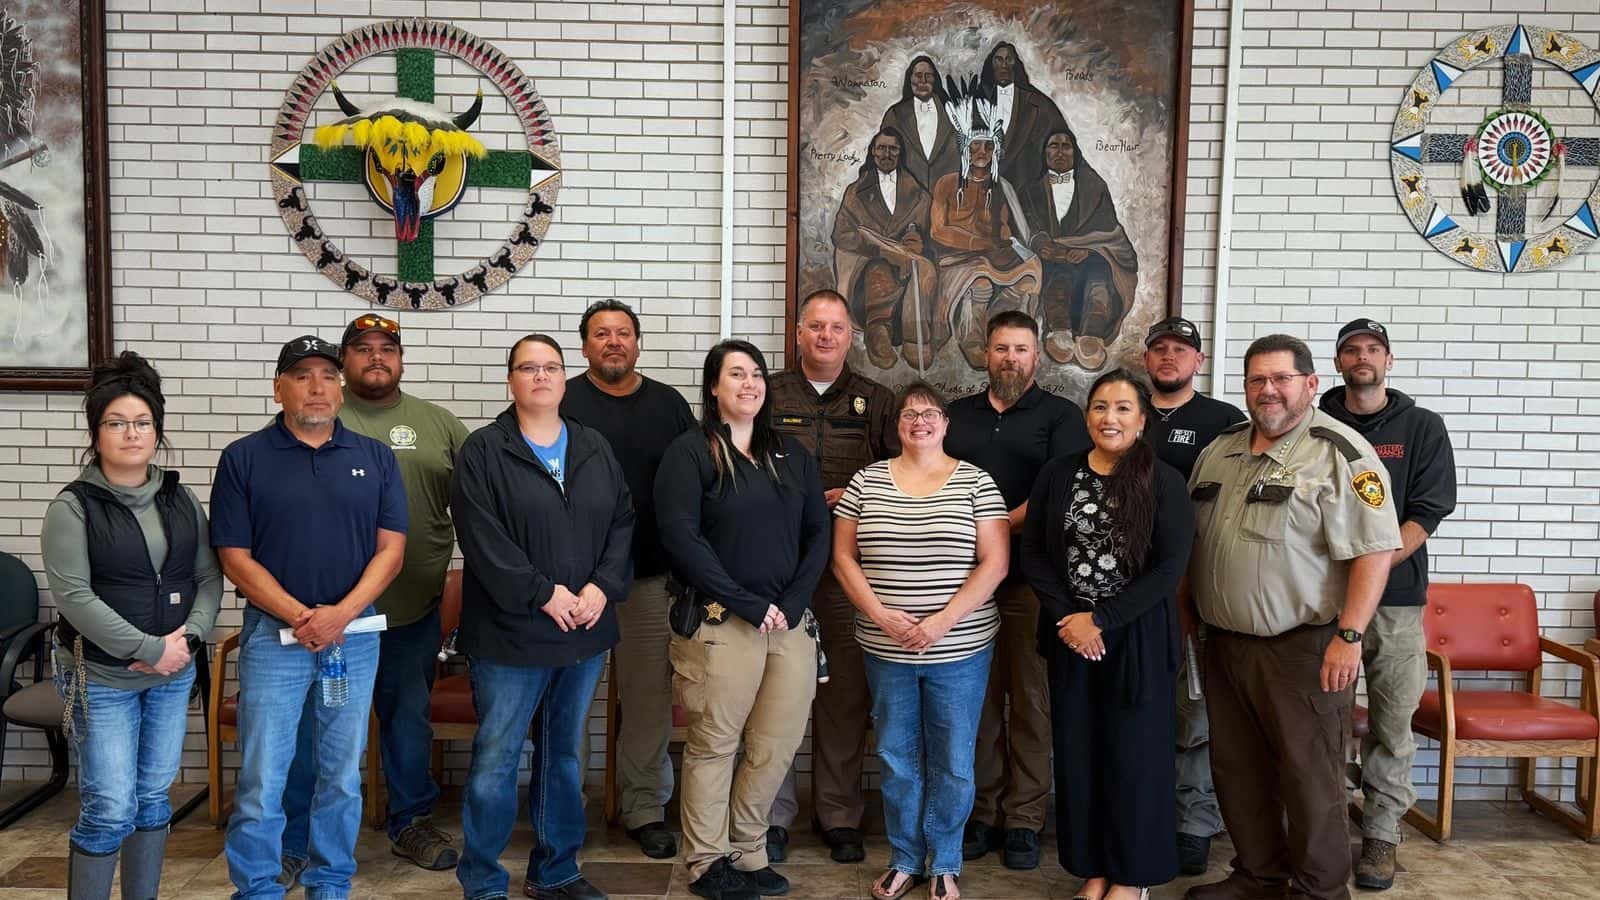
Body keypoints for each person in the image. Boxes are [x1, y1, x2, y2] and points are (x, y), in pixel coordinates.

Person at [1184, 334, 1401, 900]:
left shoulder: (1341, 452)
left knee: (1310, 779)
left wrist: (1349, 636)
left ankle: (1320, 889)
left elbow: (1375, 550)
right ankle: (1259, 874)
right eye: (1257, 379)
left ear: (1309, 384)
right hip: (1225, 644)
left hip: (1304, 648)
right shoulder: (1221, 450)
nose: (1268, 390)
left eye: (1281, 378)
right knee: (1238, 770)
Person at [213, 335, 408, 900]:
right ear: (279, 389)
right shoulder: (243, 458)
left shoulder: (374, 457)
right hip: (276, 638)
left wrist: (339, 616)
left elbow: (390, 550)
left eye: (327, 375)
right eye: (302, 376)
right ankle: (258, 887)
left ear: (340, 387)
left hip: (353, 637)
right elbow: (234, 556)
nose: (318, 386)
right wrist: (304, 617)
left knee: (341, 775)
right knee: (262, 778)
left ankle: (330, 882)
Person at [278, 313, 470, 886]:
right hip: (326, 616)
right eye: (362, 349)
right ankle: (298, 840)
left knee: (406, 717)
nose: (377, 357)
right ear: (342, 366)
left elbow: (479, 505)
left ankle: (410, 821)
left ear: (402, 359)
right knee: (315, 724)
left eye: (388, 348)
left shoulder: (437, 424)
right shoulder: (314, 417)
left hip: (410, 608)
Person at [451, 333, 634, 900]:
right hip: (512, 635)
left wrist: (602, 585)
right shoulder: (483, 450)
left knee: (564, 756)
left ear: (564, 376)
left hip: (583, 631)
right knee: (497, 759)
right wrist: (542, 593)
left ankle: (555, 871)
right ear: (511, 380)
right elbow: (483, 539)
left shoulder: (593, 445)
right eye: (528, 368)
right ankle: (482, 880)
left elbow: (623, 520)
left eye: (550, 367)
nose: (540, 377)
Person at [42, 352, 222, 900]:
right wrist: (147, 646)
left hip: (169, 675)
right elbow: (73, 597)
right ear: (96, 433)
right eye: (116, 423)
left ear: (157, 431)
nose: (130, 433)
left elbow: (208, 577)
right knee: (109, 806)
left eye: (141, 423)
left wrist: (187, 639)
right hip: (103, 679)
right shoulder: (73, 506)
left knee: (151, 798)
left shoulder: (179, 495)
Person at [655, 340, 831, 900]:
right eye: (736, 375)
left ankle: (747, 849)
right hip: (719, 622)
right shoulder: (690, 452)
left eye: (756, 374)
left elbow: (816, 531)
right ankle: (707, 861)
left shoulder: (791, 453)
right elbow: (683, 539)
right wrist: (747, 603)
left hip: (789, 624)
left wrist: (797, 599)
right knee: (714, 742)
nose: (749, 384)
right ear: (713, 387)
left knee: (776, 743)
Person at [832, 381, 1010, 900]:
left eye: (930, 413)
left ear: (946, 424)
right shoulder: (866, 481)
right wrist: (882, 615)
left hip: (961, 649)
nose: (920, 421)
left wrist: (940, 623)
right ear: (897, 424)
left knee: (954, 759)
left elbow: (995, 563)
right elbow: (843, 558)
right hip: (885, 649)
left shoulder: (976, 482)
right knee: (895, 755)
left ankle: (946, 862)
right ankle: (905, 858)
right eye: (910, 413)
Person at [1022, 369, 1194, 900]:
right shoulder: (1057, 474)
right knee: (1081, 754)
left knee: (1135, 757)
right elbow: (1034, 552)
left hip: (1135, 638)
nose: (1109, 418)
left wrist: (1102, 619)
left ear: (1142, 421)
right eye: (1099, 407)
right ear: (1087, 416)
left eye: (1122, 408)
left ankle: (1132, 875)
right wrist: (1071, 619)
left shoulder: (1163, 480)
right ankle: (1094, 867)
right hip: (1071, 635)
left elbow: (1169, 569)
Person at [944, 310, 1090, 869]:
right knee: (976, 703)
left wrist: (997, 529)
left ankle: (1025, 818)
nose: (1011, 358)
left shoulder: (1060, 417)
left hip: (1034, 584)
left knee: (1032, 703)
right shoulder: (957, 415)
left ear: (1037, 356)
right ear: (985, 354)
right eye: (1002, 348)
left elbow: (1059, 489)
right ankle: (982, 813)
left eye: (1021, 350)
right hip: (966, 585)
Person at [1318, 319, 1456, 891]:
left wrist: (1372, 567)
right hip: (1320, 601)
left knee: (1392, 723)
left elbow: (1425, 512)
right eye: (1352, 349)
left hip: (1396, 603)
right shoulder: (1313, 422)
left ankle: (1380, 835)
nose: (1362, 357)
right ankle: (1321, 830)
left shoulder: (1421, 427)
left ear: (1388, 360)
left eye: (1372, 349)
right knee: (1319, 722)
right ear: (1338, 361)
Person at [560, 299, 696, 860]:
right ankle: (563, 809)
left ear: (638, 343)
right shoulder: (560, 399)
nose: (613, 342)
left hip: (647, 580)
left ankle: (643, 807)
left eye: (623, 334)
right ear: (585, 344)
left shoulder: (669, 405)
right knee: (567, 701)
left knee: (646, 700)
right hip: (571, 585)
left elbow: (695, 486)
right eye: (600, 334)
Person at [767, 290, 899, 865]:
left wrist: (858, 495)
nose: (826, 337)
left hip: (851, 570)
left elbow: (903, 476)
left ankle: (839, 815)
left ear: (851, 336)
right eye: (815, 327)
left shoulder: (879, 399)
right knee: (775, 696)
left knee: (844, 696)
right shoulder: (766, 393)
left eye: (837, 328)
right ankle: (767, 815)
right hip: (776, 567)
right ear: (799, 333)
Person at [1138, 316, 1245, 877]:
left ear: (1198, 360)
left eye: (1181, 349)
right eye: (1160, 349)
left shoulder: (1226, 423)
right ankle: (1141, 815)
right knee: (1137, 709)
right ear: (1145, 357)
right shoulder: (1121, 410)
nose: (1169, 357)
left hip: (1197, 587)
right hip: (1127, 590)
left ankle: (1193, 823)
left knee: (1193, 713)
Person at [1022, 128, 1138, 369]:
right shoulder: (1030, 191)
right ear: (1044, 153)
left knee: (1100, 280)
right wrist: (1041, 244)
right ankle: (1059, 334)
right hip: (1052, 258)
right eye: (1053, 146)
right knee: (1057, 278)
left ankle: (1091, 338)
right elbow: (1026, 225)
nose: (1060, 152)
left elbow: (1107, 230)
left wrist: (1088, 251)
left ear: (1076, 152)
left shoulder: (1095, 187)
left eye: (1067, 146)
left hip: (1091, 257)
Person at [929, 128, 1041, 370]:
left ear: (995, 152)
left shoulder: (1001, 186)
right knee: (982, 285)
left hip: (992, 254)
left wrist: (1009, 242)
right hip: (956, 256)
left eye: (988, 147)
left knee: (1029, 277)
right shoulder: (946, 183)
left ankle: (996, 326)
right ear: (965, 151)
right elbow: (938, 230)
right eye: (975, 147)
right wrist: (975, 243)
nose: (982, 152)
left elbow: (1002, 228)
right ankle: (971, 338)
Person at [831, 129, 939, 370]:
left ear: (901, 154)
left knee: (921, 269)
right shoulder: (855, 192)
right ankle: (877, 330)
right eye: (881, 148)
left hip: (908, 261)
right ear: (872, 152)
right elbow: (842, 234)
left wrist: (916, 240)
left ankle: (915, 337)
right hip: (868, 261)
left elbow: (929, 233)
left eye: (893, 149)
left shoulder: (919, 194)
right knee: (879, 270)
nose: (886, 154)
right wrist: (880, 250)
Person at [977, 42, 1068, 187]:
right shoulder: (975, 103)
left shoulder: (1038, 104)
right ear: (991, 65)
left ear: (1016, 64)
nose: (1004, 65)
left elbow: (1064, 141)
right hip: (985, 187)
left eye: (1009, 59)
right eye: (998, 60)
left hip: (1025, 189)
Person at [880, 56, 958, 193]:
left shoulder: (954, 112)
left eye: (928, 76)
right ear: (909, 79)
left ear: (935, 80)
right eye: (918, 75)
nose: (923, 80)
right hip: (908, 197)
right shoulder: (895, 115)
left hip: (949, 195)